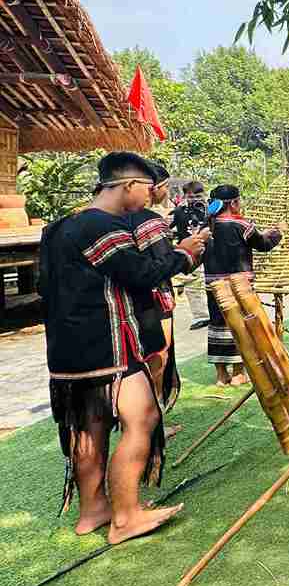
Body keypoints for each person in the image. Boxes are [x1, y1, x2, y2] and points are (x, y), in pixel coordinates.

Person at [38, 151, 207, 542]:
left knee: (89, 429)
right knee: (143, 417)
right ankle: (126, 517)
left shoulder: (59, 226)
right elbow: (140, 273)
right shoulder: (102, 225)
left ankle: (93, 510)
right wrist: (185, 253)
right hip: (108, 346)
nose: (150, 195)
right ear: (129, 184)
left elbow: (45, 287)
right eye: (148, 187)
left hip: (67, 351)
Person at [204, 184, 283, 386]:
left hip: (214, 285)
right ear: (233, 203)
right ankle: (239, 374)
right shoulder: (241, 225)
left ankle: (221, 374)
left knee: (218, 324)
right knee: (241, 325)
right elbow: (263, 244)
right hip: (239, 286)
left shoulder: (207, 226)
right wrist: (277, 233)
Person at [126, 162, 183, 419]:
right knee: (158, 357)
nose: (166, 191)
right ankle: (153, 420)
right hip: (154, 300)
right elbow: (166, 263)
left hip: (128, 302)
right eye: (165, 186)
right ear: (153, 187)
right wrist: (188, 253)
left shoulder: (116, 219)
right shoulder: (150, 221)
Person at [170, 180, 211, 330]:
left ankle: (215, 314)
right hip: (191, 252)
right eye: (191, 197)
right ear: (185, 197)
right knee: (191, 284)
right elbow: (169, 228)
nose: (195, 200)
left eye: (198, 196)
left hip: (211, 251)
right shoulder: (179, 211)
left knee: (212, 284)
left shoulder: (210, 210)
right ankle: (201, 316)